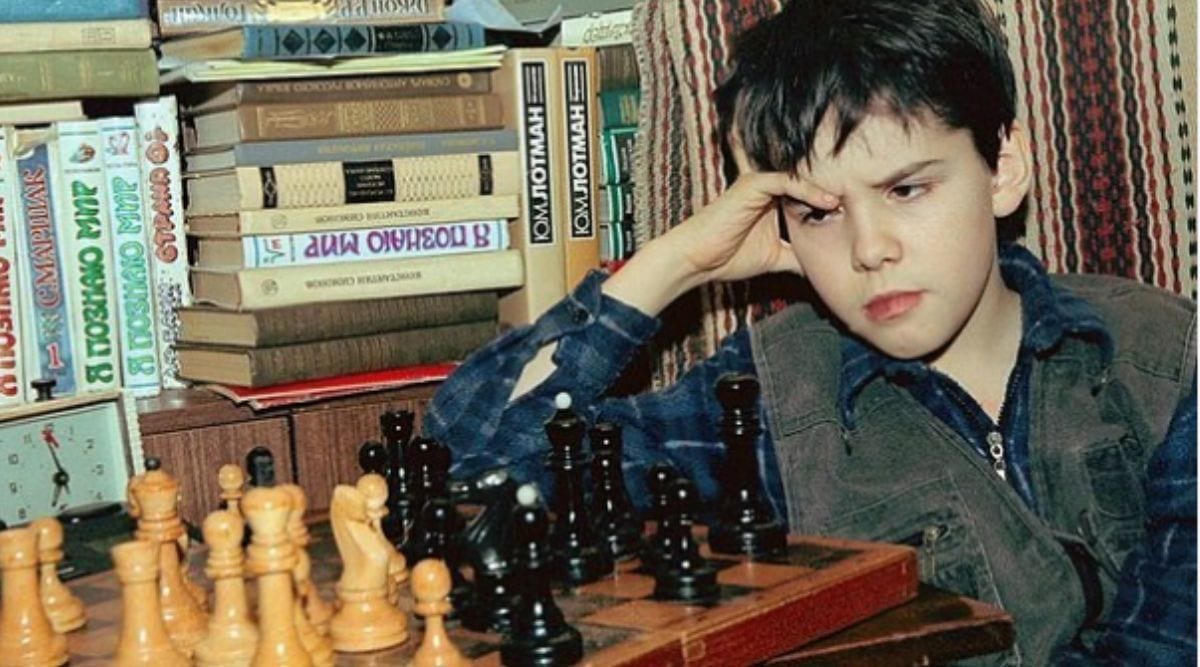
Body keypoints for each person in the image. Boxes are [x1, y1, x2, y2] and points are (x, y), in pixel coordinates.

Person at [424, 0, 1197, 663]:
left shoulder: (1166, 356)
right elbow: (464, 471)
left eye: (906, 188)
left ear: (1003, 170)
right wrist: (672, 263)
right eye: (818, 213)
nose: (869, 248)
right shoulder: (770, 402)